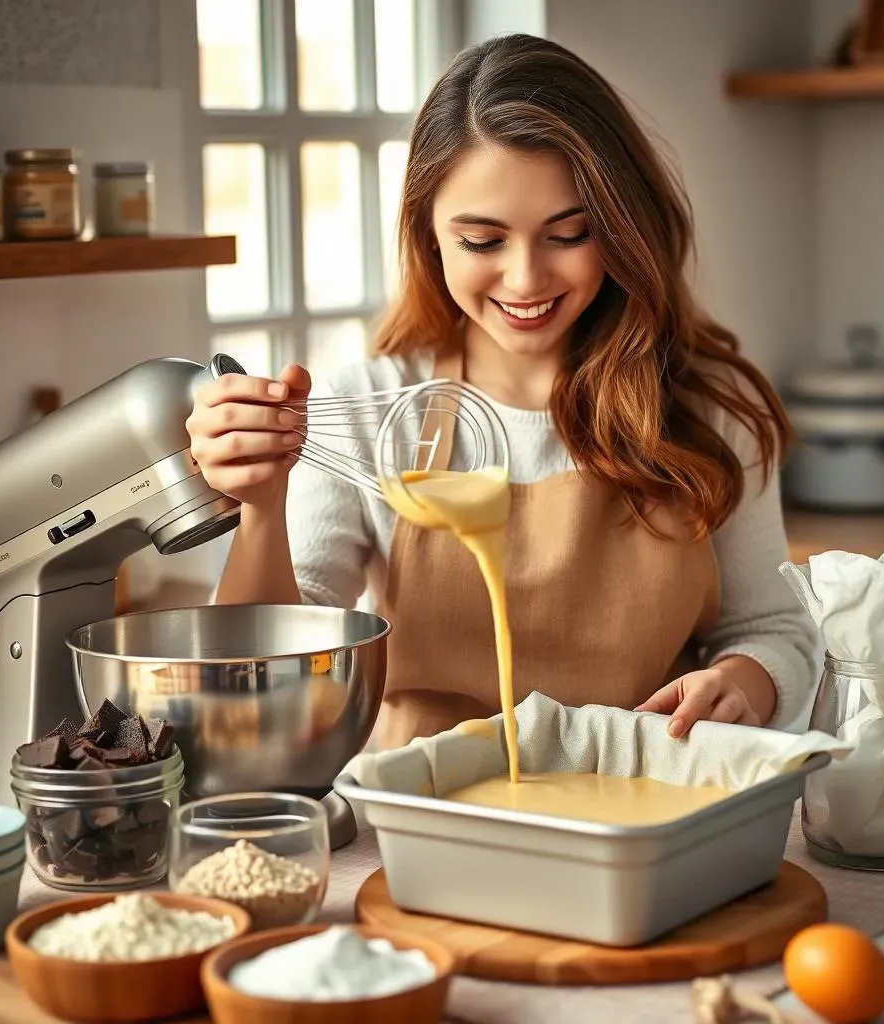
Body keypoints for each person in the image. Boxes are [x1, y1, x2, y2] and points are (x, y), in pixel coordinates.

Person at [186, 33, 816, 750]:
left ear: (622, 226)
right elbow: (261, 685)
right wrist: (260, 507)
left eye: (569, 234)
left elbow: (773, 630)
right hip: (427, 823)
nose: (525, 280)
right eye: (483, 242)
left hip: (642, 813)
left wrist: (744, 679)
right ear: (429, 237)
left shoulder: (705, 407)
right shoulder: (375, 407)